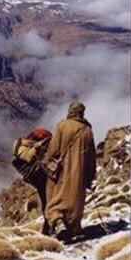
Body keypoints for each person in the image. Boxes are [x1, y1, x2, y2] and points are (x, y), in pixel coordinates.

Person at [43, 101, 96, 241]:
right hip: (79, 175)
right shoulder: (87, 130)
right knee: (75, 201)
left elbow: (53, 149)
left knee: (56, 197)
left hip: (62, 171)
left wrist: (48, 161)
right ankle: (73, 228)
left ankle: (57, 220)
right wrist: (90, 176)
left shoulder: (62, 125)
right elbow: (92, 156)